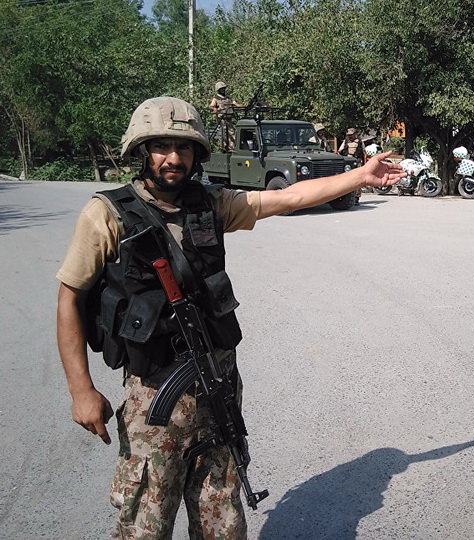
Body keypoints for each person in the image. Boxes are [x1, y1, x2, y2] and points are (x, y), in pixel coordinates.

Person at [56, 96, 405, 540]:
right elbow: (69, 298)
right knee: (144, 523)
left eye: (184, 148)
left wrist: (360, 174)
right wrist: (80, 390)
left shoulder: (212, 204)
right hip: (154, 400)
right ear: (142, 152)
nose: (174, 158)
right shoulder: (106, 215)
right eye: (162, 146)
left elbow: (289, 196)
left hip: (217, 387)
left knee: (222, 520)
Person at [209, 81, 242, 151]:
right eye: (221, 89)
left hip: (229, 117)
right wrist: (214, 108)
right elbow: (211, 106)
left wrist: (243, 107)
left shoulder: (228, 98)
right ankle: (224, 148)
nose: (223, 90)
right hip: (222, 119)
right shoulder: (216, 98)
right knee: (224, 133)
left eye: (224, 88)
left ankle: (231, 148)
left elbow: (235, 103)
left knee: (231, 132)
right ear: (218, 90)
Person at [338, 128, 366, 204]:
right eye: (349, 135)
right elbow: (339, 151)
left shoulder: (360, 142)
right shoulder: (345, 142)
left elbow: (364, 153)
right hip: (348, 163)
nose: (350, 137)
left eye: (351, 135)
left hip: (357, 162)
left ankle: (357, 197)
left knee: (358, 180)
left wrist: (364, 164)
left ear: (355, 134)